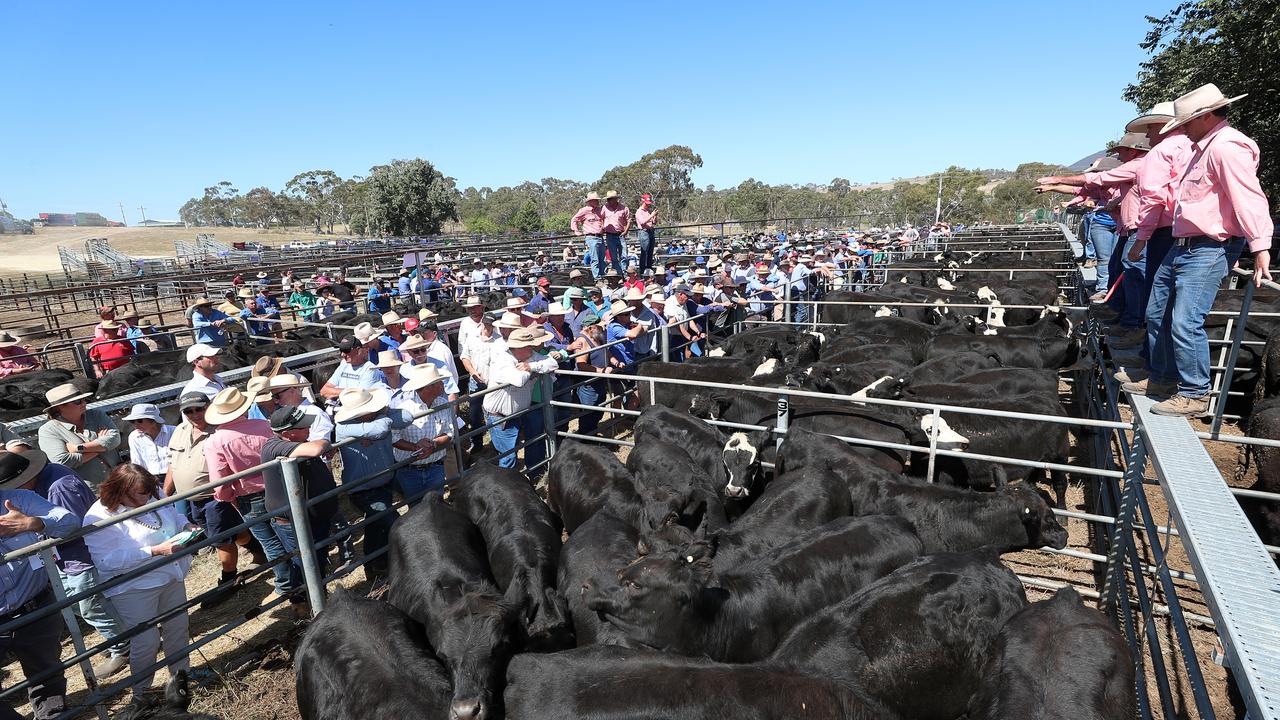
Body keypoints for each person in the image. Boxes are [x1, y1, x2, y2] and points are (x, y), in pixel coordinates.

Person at [1124, 84, 1274, 417]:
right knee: (1157, 312)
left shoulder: (1226, 148)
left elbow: (1248, 196)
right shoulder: (1202, 148)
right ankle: (1162, 377)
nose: (1182, 128)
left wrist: (1260, 245)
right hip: (1185, 244)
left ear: (1205, 117)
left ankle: (1194, 392)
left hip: (1210, 245)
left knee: (1185, 320)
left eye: (1187, 121)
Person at [1, 444, 131, 681]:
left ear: (23, 481)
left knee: (91, 605)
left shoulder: (58, 488)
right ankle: (125, 636)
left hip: (79, 557)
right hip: (68, 558)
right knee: (82, 604)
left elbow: (73, 526)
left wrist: (34, 525)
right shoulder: (50, 480)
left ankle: (124, 647)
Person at [82, 463, 195, 694]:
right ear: (120, 491)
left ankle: (180, 681)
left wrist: (186, 525)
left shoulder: (152, 493)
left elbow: (173, 513)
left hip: (170, 574)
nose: (149, 497)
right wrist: (153, 551)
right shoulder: (97, 517)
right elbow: (105, 561)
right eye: (141, 494)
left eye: (150, 492)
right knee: (146, 641)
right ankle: (142, 694)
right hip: (134, 587)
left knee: (178, 629)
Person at [0, 458, 79, 720]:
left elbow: (69, 521)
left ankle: (51, 715)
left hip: (35, 608)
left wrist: (34, 524)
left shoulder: (19, 499)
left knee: (47, 674)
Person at [164, 392, 258, 608]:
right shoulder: (180, 430)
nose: (195, 414)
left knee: (221, 539)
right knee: (227, 532)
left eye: (199, 408)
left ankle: (228, 579)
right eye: (188, 411)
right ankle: (258, 550)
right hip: (193, 498)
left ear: (209, 406)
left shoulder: (219, 430)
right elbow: (173, 462)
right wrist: (165, 493)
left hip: (215, 496)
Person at [204, 387, 293, 602]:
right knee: (291, 535)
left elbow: (220, 481)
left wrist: (228, 498)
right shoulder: (264, 426)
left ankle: (287, 584)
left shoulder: (215, 441)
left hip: (248, 498)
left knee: (270, 543)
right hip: (279, 488)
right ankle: (306, 574)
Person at [333, 388, 411, 581]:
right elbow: (381, 429)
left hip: (381, 482)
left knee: (376, 526)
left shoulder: (374, 418)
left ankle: (376, 566)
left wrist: (382, 413)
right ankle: (392, 564)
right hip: (363, 489)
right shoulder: (344, 426)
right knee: (392, 522)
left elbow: (407, 417)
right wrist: (382, 420)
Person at [260, 406, 337, 591]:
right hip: (292, 520)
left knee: (314, 561)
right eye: (303, 427)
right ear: (287, 433)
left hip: (311, 515)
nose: (309, 429)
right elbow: (316, 448)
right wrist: (326, 444)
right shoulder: (274, 447)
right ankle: (303, 603)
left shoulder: (295, 444)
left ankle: (316, 598)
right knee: (304, 563)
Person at [482, 327, 565, 472]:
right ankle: (508, 487)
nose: (532, 347)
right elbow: (518, 380)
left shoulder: (529, 356)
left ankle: (524, 477)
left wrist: (531, 366)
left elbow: (552, 363)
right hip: (500, 417)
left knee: (512, 453)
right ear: (518, 347)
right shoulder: (503, 360)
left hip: (515, 414)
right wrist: (535, 370)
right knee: (508, 457)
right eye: (529, 345)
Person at [390, 365, 456, 500]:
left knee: (436, 505)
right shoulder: (403, 410)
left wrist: (434, 444)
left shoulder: (442, 403)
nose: (442, 384)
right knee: (416, 508)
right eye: (439, 382)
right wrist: (415, 447)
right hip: (410, 470)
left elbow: (450, 432)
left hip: (436, 466)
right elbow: (393, 438)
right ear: (428, 387)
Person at [37, 383, 120, 489]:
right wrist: (101, 446)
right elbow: (62, 461)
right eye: (78, 401)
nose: (84, 403)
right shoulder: (48, 431)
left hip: (119, 480)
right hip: (88, 490)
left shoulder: (97, 415)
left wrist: (78, 448)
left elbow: (115, 439)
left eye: (84, 399)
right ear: (61, 407)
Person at [566, 313, 610, 435]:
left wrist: (614, 362)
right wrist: (601, 371)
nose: (602, 329)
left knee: (598, 409)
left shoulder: (597, 337)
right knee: (589, 412)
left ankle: (592, 434)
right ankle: (586, 439)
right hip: (588, 384)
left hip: (598, 381)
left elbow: (606, 351)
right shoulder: (582, 341)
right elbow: (581, 364)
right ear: (590, 328)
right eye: (599, 326)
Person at [459, 313, 498, 446]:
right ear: (481, 323)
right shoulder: (472, 338)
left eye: (490, 325)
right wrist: (473, 372)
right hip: (476, 380)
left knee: (493, 413)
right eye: (486, 324)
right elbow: (465, 357)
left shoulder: (499, 340)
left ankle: (495, 442)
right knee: (475, 413)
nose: (487, 327)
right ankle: (477, 443)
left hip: (493, 382)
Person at [320, 328, 387, 401]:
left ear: (358, 350)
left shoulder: (370, 369)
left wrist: (335, 391)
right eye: (341, 350)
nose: (342, 354)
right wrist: (350, 391)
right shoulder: (344, 364)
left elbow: (360, 396)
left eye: (346, 350)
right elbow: (323, 391)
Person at [124, 403, 175, 479]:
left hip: (174, 474)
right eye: (132, 421)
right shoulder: (134, 437)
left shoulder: (174, 431)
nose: (135, 424)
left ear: (153, 421)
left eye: (139, 420)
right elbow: (137, 463)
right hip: (150, 479)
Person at [572, 192, 607, 278]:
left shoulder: (600, 210)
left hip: (600, 236)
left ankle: (603, 275)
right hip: (591, 237)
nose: (597, 202)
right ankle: (597, 278)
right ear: (590, 201)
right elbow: (574, 219)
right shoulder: (584, 211)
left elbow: (603, 219)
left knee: (602, 258)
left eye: (597, 200)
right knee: (595, 259)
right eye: (595, 200)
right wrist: (576, 230)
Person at [636, 193, 658, 272]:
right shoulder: (639, 211)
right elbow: (642, 222)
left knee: (650, 251)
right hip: (644, 232)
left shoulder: (649, 211)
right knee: (644, 251)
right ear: (643, 201)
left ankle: (649, 268)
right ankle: (642, 270)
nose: (648, 205)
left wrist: (655, 216)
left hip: (651, 231)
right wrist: (651, 215)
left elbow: (654, 222)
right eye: (646, 203)